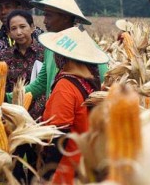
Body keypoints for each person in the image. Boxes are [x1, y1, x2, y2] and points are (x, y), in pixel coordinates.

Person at [6, 0, 108, 102]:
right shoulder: (51, 46)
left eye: (49, 15)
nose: (44, 21)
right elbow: (41, 83)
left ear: (65, 18)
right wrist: (7, 97)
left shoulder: (86, 48)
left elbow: (104, 80)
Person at [40, 25, 109, 184]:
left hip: (67, 169)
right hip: (87, 164)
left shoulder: (65, 86)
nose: (55, 58)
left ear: (65, 57)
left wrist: (46, 175)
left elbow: (59, 135)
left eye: (57, 54)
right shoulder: (89, 80)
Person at [0, 10, 45, 183]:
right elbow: (0, 88)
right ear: (8, 32)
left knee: (38, 168)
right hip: (13, 122)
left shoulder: (44, 53)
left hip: (39, 120)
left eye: (23, 27)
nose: (18, 32)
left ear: (32, 27)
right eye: (13, 28)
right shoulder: (4, 56)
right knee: (13, 168)